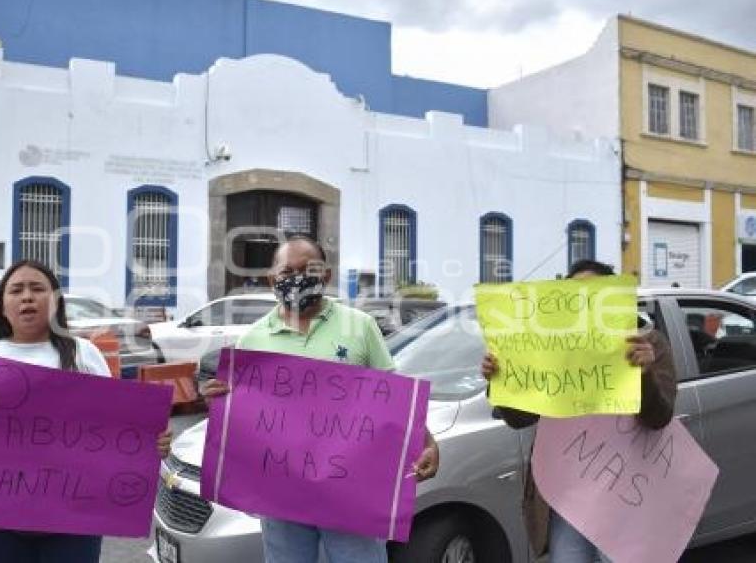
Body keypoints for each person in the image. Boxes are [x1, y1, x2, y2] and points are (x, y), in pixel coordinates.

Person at [0, 260, 172, 563]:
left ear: (55, 302)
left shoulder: (83, 354)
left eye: (37, 289)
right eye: (16, 290)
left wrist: (150, 443)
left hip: (76, 515)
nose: (27, 297)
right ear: (3, 306)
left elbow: (118, 429)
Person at [203, 236, 439, 563]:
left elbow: (394, 396)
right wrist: (217, 404)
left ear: (326, 276)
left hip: (351, 489)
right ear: (272, 280)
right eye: (287, 271)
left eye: (308, 270)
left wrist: (426, 442)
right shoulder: (252, 338)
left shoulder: (361, 326)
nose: (297, 278)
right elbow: (242, 419)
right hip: (282, 494)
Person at [482, 259, 677, 563]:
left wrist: (645, 373)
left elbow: (659, 417)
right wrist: (501, 381)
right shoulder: (551, 351)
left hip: (626, 497)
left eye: (593, 293)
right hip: (567, 499)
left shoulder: (648, 345)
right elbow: (519, 419)